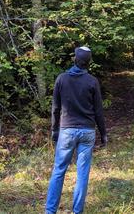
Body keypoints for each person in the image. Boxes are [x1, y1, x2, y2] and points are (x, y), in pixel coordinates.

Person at [45, 46, 107, 214]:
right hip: (87, 132)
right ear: (88, 63)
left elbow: (55, 108)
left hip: (66, 131)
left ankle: (50, 211)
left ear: (75, 60)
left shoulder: (61, 79)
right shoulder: (92, 81)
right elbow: (98, 111)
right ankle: (77, 211)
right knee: (82, 174)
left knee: (59, 170)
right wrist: (103, 134)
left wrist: (54, 130)